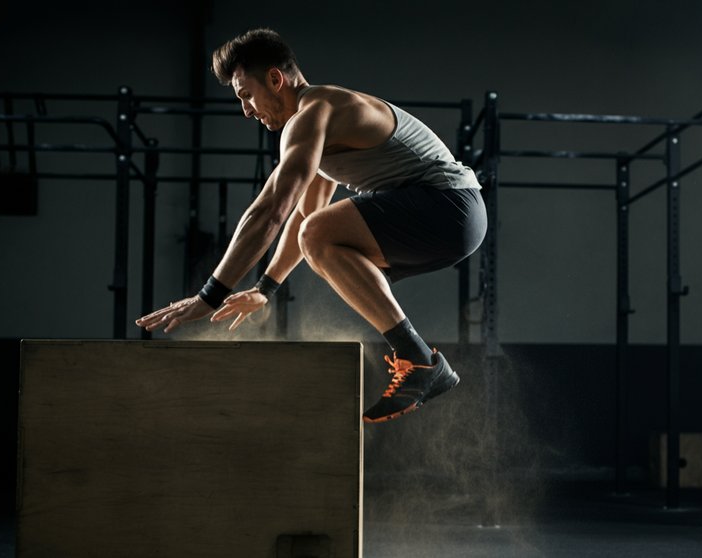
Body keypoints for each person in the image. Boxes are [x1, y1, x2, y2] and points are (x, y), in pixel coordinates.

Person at [135, 28, 487, 424]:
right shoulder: (324, 126)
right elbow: (305, 214)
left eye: (245, 95)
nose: (246, 110)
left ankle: (419, 360)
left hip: (449, 205)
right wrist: (265, 288)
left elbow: (270, 210)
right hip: (453, 218)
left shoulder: (312, 114)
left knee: (317, 235)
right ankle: (418, 359)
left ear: (274, 79)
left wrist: (210, 295)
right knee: (319, 237)